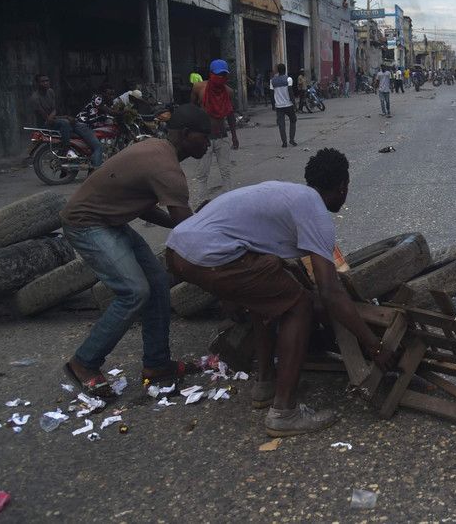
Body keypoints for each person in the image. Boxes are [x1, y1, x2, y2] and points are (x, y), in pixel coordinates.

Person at [165, 149, 394, 436]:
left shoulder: (289, 194)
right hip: (207, 256)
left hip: (176, 249)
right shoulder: (316, 213)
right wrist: (374, 345)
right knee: (299, 305)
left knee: (269, 295)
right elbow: (330, 291)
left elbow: (262, 252)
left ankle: (266, 383)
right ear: (342, 186)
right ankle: (284, 413)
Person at [60, 104, 211, 396]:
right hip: (86, 223)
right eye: (205, 137)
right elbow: (187, 230)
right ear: (186, 134)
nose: (208, 143)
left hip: (110, 220)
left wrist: (188, 222)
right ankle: (84, 362)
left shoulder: (157, 150)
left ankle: (156, 364)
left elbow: (144, 206)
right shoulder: (167, 169)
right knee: (134, 291)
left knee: (157, 283)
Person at [190, 59, 240, 210]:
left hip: (221, 136)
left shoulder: (228, 92)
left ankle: (229, 205)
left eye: (223, 75)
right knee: (202, 174)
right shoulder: (199, 88)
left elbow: (230, 115)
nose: (220, 78)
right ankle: (201, 206)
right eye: (218, 75)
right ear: (211, 74)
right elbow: (192, 111)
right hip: (203, 138)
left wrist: (234, 135)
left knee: (226, 171)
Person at [28, 74, 86, 157]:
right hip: (44, 124)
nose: (46, 83)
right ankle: (66, 148)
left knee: (74, 121)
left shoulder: (50, 92)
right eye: (42, 81)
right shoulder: (35, 98)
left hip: (53, 119)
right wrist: (62, 117)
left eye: (47, 81)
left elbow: (54, 109)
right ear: (37, 84)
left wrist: (64, 116)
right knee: (65, 123)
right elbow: (46, 118)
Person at [271, 64, 297, 147]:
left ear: (278, 70)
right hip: (289, 105)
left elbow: (271, 94)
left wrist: (273, 105)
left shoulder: (272, 80)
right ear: (285, 70)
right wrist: (294, 103)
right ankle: (292, 140)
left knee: (281, 124)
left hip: (279, 106)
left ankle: (284, 142)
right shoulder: (288, 79)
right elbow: (290, 92)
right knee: (293, 120)